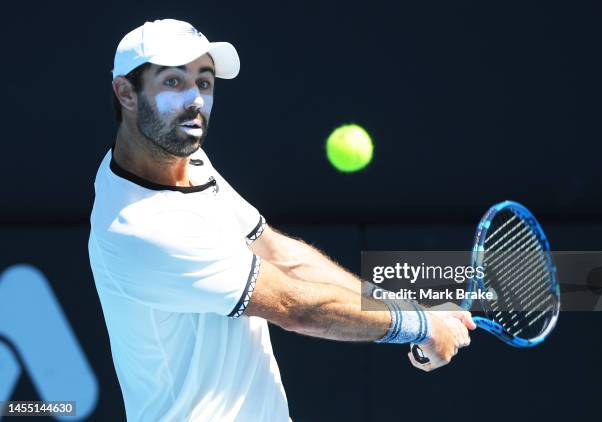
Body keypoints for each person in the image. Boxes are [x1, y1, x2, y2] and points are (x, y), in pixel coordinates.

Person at [88, 18, 475, 422]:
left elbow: (279, 253)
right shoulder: (142, 226)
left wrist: (412, 310)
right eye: (173, 82)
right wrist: (419, 327)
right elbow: (295, 306)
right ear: (126, 93)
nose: (196, 101)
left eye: (204, 82)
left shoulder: (183, 159)